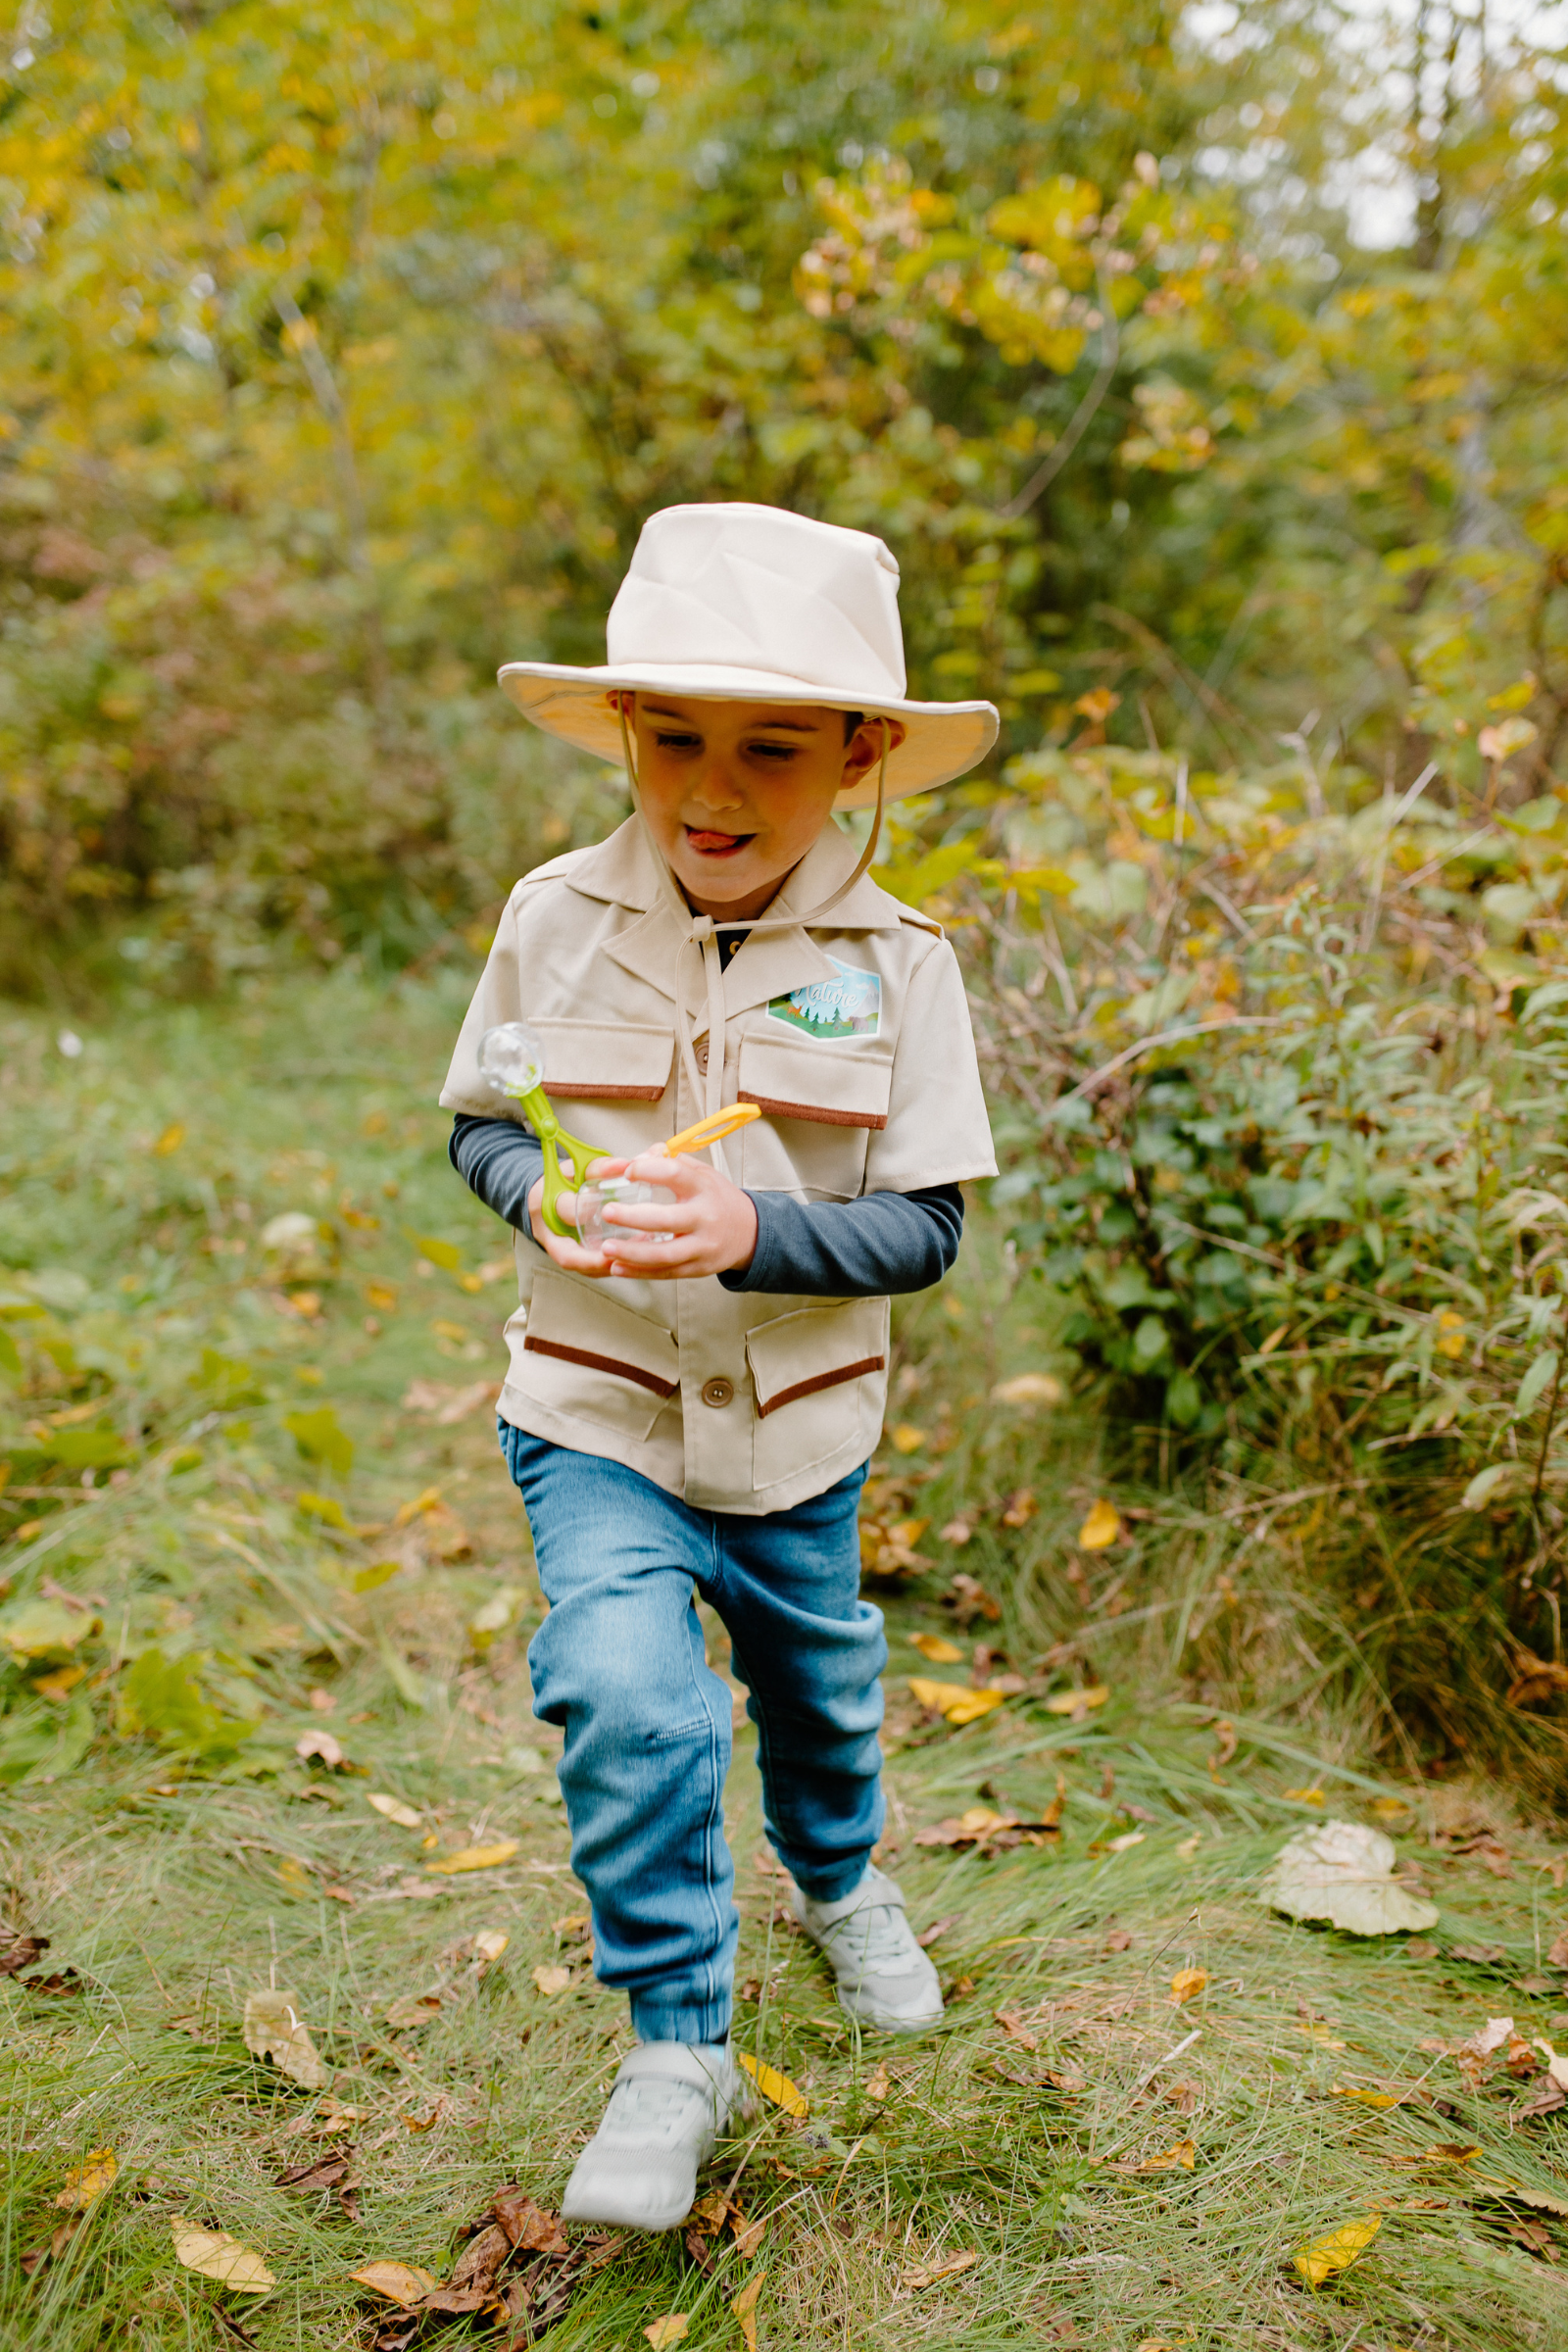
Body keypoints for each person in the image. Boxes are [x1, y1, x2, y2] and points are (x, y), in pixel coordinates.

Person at [439, 502, 998, 2231]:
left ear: (860, 751)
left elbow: (925, 1232)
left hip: (796, 1436)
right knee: (625, 1688)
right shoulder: (551, 919)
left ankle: (839, 1881)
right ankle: (675, 2039)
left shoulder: (902, 968)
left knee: (813, 1693)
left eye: (772, 746)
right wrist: (546, 1193)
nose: (714, 787)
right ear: (622, 730)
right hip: (592, 1404)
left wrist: (745, 1235)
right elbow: (480, 1127)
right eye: (674, 735)